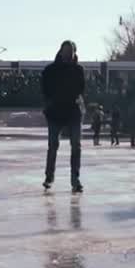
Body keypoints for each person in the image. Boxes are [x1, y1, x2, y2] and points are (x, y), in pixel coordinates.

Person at [41, 40, 85, 192]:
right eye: (65, 50)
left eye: (70, 51)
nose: (67, 53)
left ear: (74, 53)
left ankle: (75, 179)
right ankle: (49, 176)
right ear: (60, 51)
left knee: (76, 146)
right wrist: (51, 102)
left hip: (73, 111)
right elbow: (44, 87)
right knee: (53, 145)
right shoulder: (51, 70)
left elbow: (81, 88)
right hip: (55, 111)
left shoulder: (78, 70)